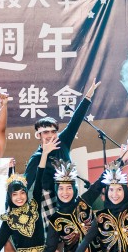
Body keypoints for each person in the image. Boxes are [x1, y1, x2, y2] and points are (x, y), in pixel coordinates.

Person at [23, 78, 100, 219]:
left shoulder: (63, 142)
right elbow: (25, 185)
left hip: (69, 195)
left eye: (53, 131)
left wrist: (87, 97)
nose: (50, 135)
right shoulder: (36, 158)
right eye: (45, 132)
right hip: (48, 202)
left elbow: (75, 121)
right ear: (38, 135)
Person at [14, 160, 105, 252]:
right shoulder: (55, 220)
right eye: (61, 188)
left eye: (69, 188)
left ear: (74, 189)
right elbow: (49, 249)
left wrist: (123, 158)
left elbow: (101, 181)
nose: (65, 192)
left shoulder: (84, 202)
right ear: (56, 190)